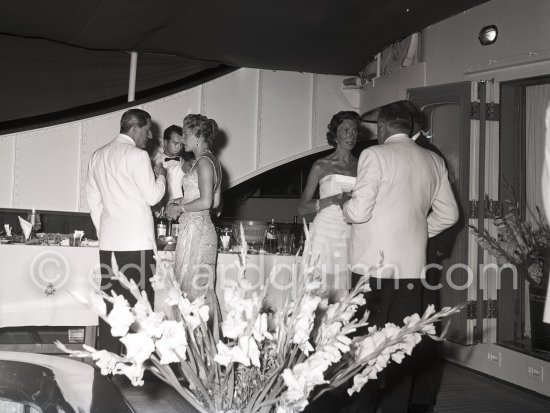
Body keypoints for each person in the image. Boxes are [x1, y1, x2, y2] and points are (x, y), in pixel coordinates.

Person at [340, 101, 459, 413]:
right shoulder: (432, 161)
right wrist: (419, 231)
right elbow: (450, 214)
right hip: (411, 270)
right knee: (401, 347)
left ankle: (359, 409)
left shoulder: (375, 154)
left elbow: (360, 210)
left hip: (372, 268)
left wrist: (345, 208)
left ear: (382, 127)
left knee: (364, 344)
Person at [86, 108, 166, 353]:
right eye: (147, 130)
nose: (150, 136)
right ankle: (139, 362)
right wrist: (161, 176)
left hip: (109, 244)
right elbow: (153, 197)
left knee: (112, 303)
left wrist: (104, 232)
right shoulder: (138, 156)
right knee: (140, 304)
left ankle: (109, 359)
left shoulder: (97, 155)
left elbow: (93, 201)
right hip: (137, 244)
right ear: (134, 128)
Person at [298, 111, 360, 303]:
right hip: (323, 232)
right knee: (317, 291)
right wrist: (333, 199)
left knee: (341, 294)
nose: (350, 135)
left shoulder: (362, 166)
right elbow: (302, 208)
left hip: (349, 233)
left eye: (354, 131)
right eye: (345, 130)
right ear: (335, 135)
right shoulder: (321, 165)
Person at [166, 114, 222, 302]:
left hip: (197, 232)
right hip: (197, 228)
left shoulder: (205, 162)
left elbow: (206, 202)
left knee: (196, 293)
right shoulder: (210, 161)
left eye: (185, 134)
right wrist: (179, 201)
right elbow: (214, 202)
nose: (182, 139)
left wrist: (179, 210)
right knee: (196, 291)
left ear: (198, 137)